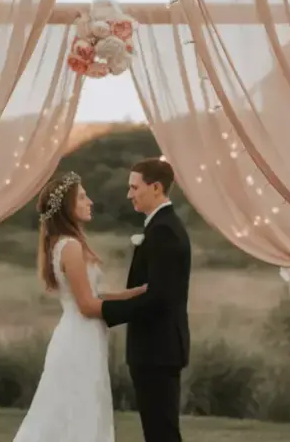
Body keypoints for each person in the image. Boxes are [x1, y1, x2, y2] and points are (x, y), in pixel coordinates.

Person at [12, 171, 147, 442]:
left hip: (83, 335)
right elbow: (87, 305)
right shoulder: (70, 246)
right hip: (79, 338)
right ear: (67, 207)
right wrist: (136, 311)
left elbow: (94, 294)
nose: (90, 201)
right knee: (77, 408)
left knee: (82, 405)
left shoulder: (65, 243)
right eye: (83, 197)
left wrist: (134, 294)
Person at [100, 158, 192, 442]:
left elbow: (159, 298)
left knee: (161, 433)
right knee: (158, 431)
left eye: (134, 187)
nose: (129, 194)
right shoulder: (160, 226)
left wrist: (104, 312)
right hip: (157, 347)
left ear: (155, 188)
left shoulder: (163, 230)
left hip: (157, 348)